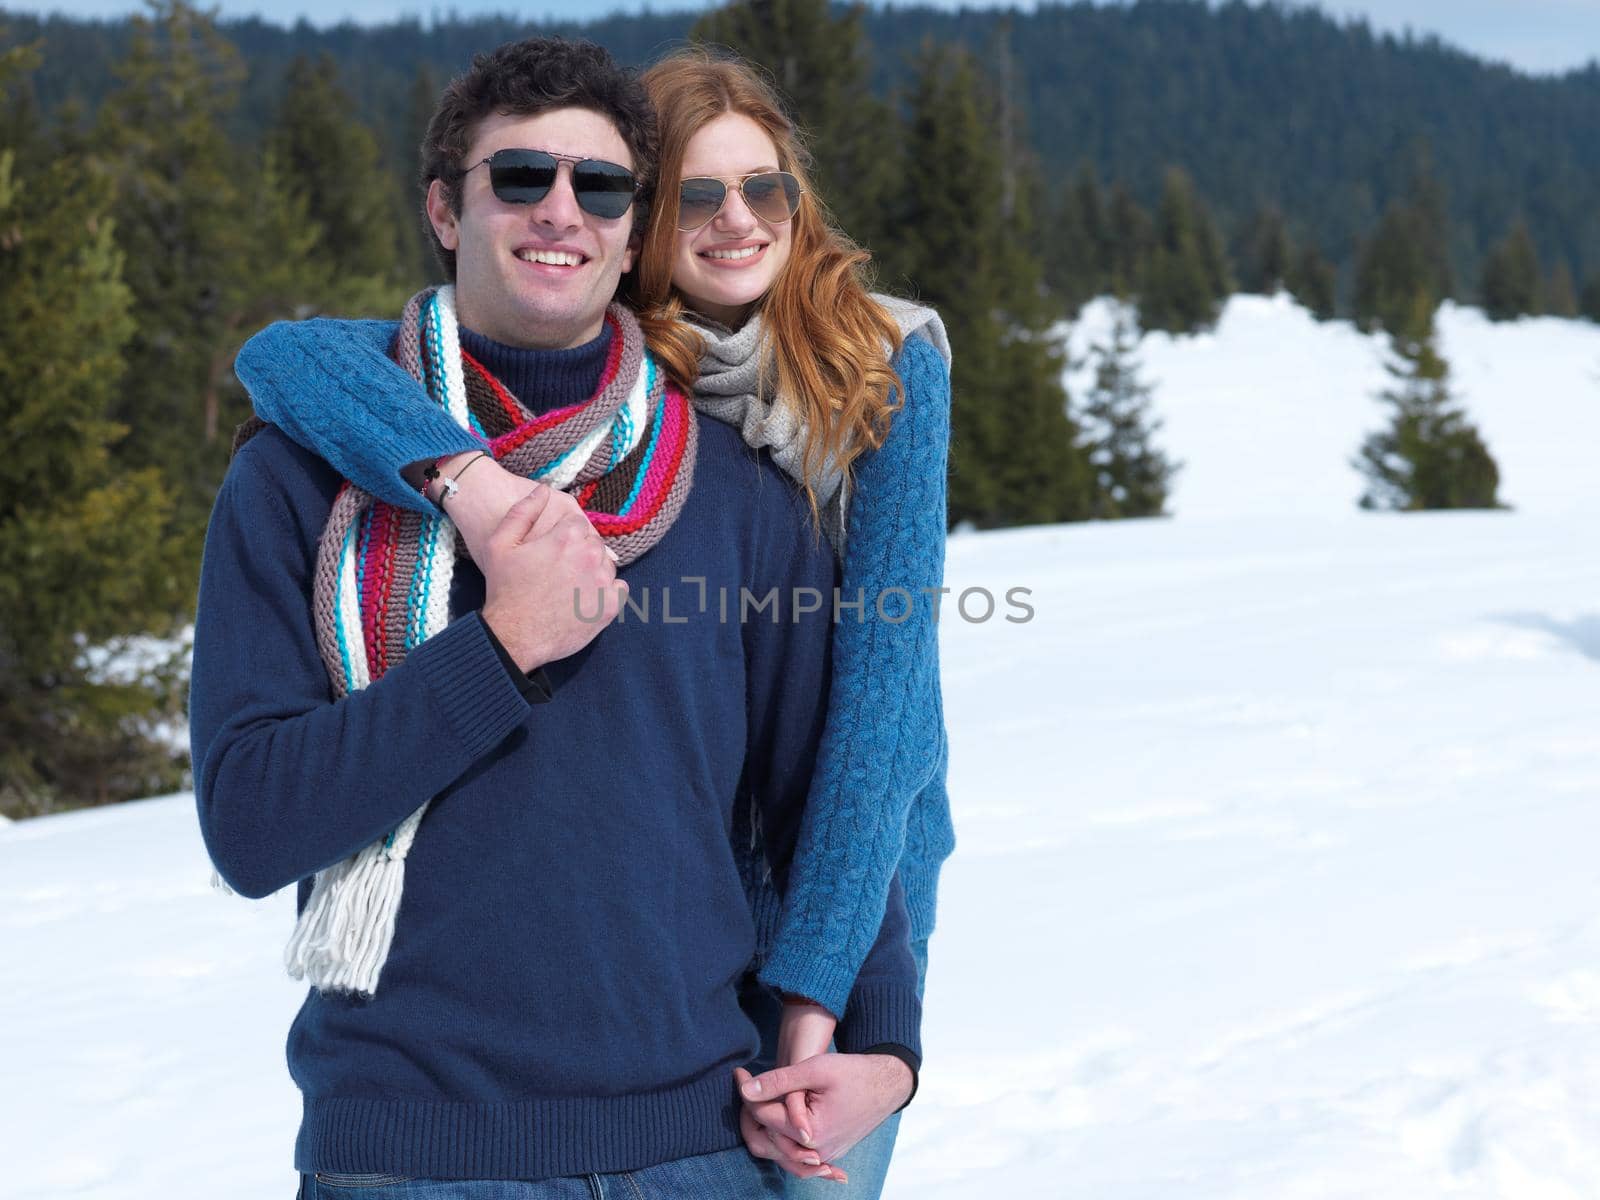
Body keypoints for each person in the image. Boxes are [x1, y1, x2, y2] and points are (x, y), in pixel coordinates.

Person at [190, 37, 924, 1199]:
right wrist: (502, 647)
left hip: (696, 1149)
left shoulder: (732, 487)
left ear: (634, 232)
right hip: (415, 1160)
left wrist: (884, 1040)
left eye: (603, 186)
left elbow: (821, 791)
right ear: (445, 208)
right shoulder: (297, 483)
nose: (560, 212)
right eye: (519, 178)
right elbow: (250, 825)